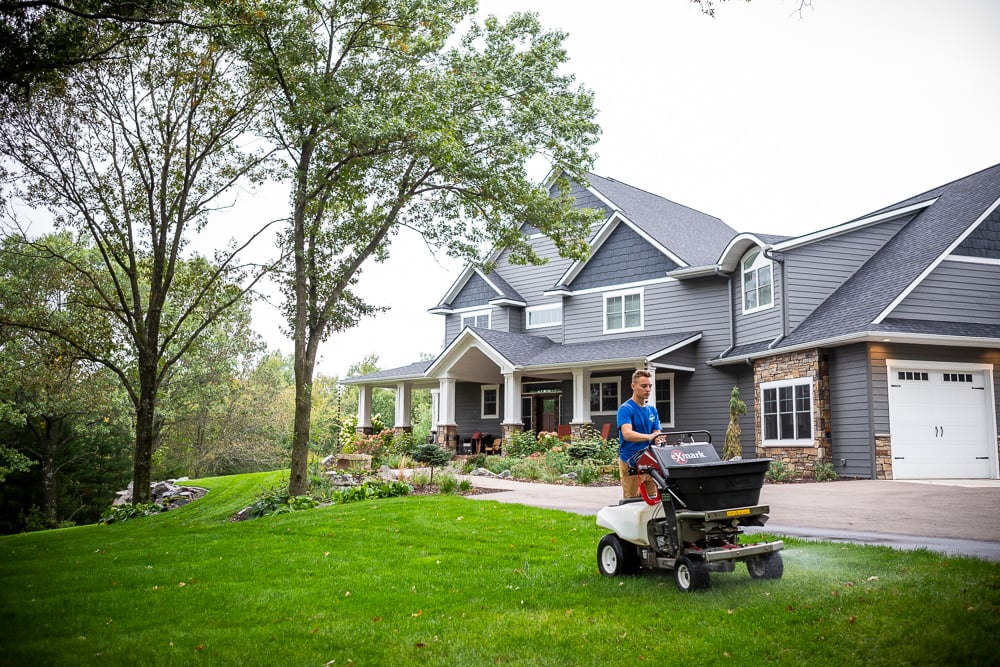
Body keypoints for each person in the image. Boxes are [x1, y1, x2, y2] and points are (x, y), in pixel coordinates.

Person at [616, 369, 662, 498]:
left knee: (653, 501)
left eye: (650, 386)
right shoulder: (626, 409)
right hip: (630, 462)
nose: (648, 389)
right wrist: (649, 437)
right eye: (644, 386)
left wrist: (658, 438)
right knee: (632, 503)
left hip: (649, 462)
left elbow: (656, 432)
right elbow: (627, 434)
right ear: (633, 386)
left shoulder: (652, 410)